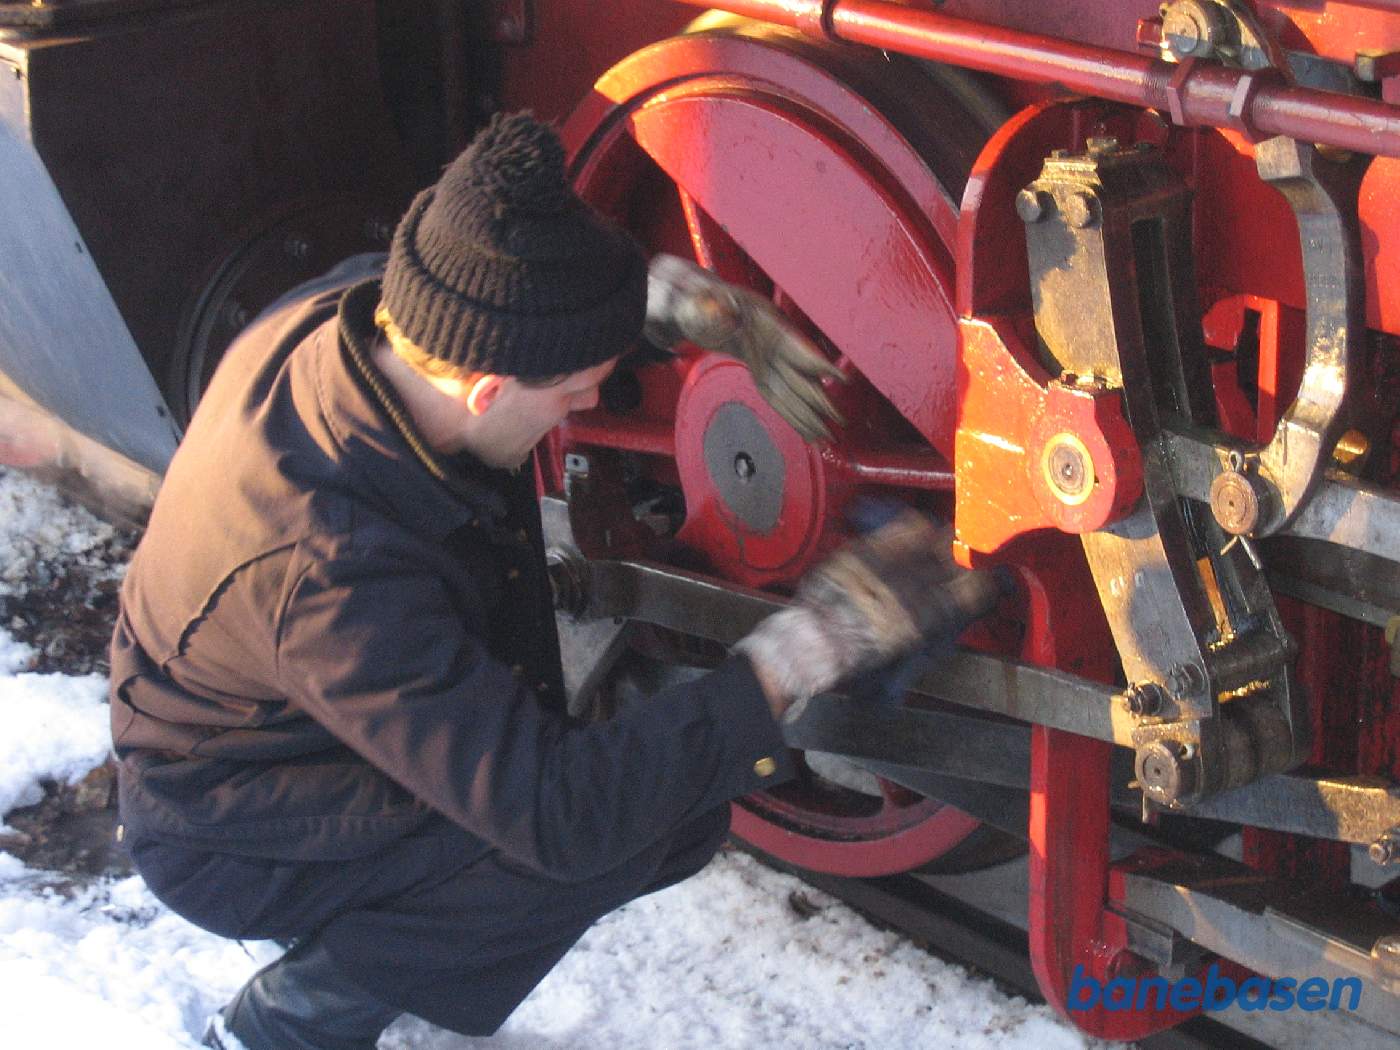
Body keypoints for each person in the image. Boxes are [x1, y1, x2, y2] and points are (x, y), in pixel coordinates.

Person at [109, 112, 979, 1049]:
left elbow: (497, 300)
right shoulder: (330, 573)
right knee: (598, 836)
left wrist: (657, 308)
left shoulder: (368, 318)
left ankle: (385, 932)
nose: (588, 402)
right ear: (486, 390)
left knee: (672, 803)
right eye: (572, 391)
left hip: (308, 725)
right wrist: (804, 649)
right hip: (234, 822)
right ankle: (288, 1022)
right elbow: (560, 816)